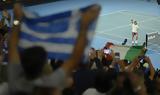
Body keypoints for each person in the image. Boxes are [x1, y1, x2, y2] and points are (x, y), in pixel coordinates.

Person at [8, 2, 101, 95]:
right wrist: (84, 26)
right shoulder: (50, 83)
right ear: (43, 64)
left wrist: (17, 20)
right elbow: (75, 58)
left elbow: (12, 45)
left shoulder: (14, 79)